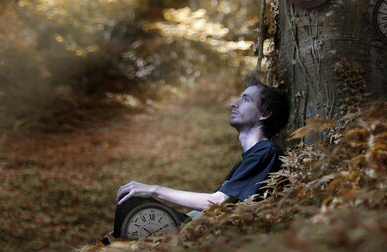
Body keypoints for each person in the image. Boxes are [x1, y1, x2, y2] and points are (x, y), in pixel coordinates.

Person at [101, 73, 289, 245]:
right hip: (198, 232)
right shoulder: (249, 159)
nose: (234, 103)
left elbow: (216, 202)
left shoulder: (267, 152)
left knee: (131, 199)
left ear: (265, 113)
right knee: (124, 222)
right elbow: (207, 211)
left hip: (209, 240)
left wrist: (154, 190)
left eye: (246, 99)